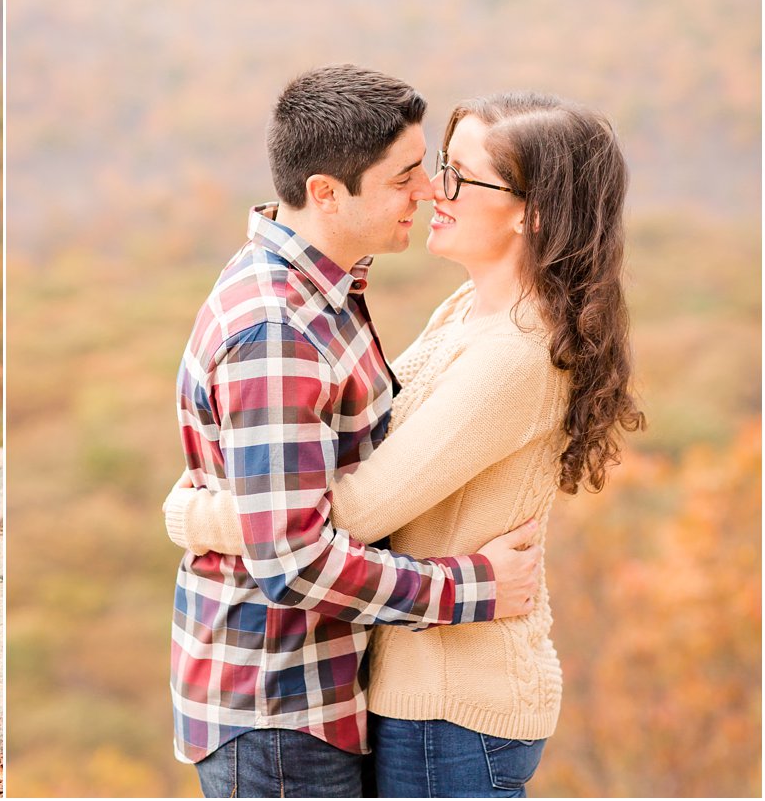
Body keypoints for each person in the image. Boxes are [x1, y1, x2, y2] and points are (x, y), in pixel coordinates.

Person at [166, 90, 645, 797]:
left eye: (458, 176)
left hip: (453, 701)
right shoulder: (467, 310)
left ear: (531, 212)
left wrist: (195, 513)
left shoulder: (514, 351)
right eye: (434, 169)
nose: (432, 191)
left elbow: (352, 512)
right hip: (409, 687)